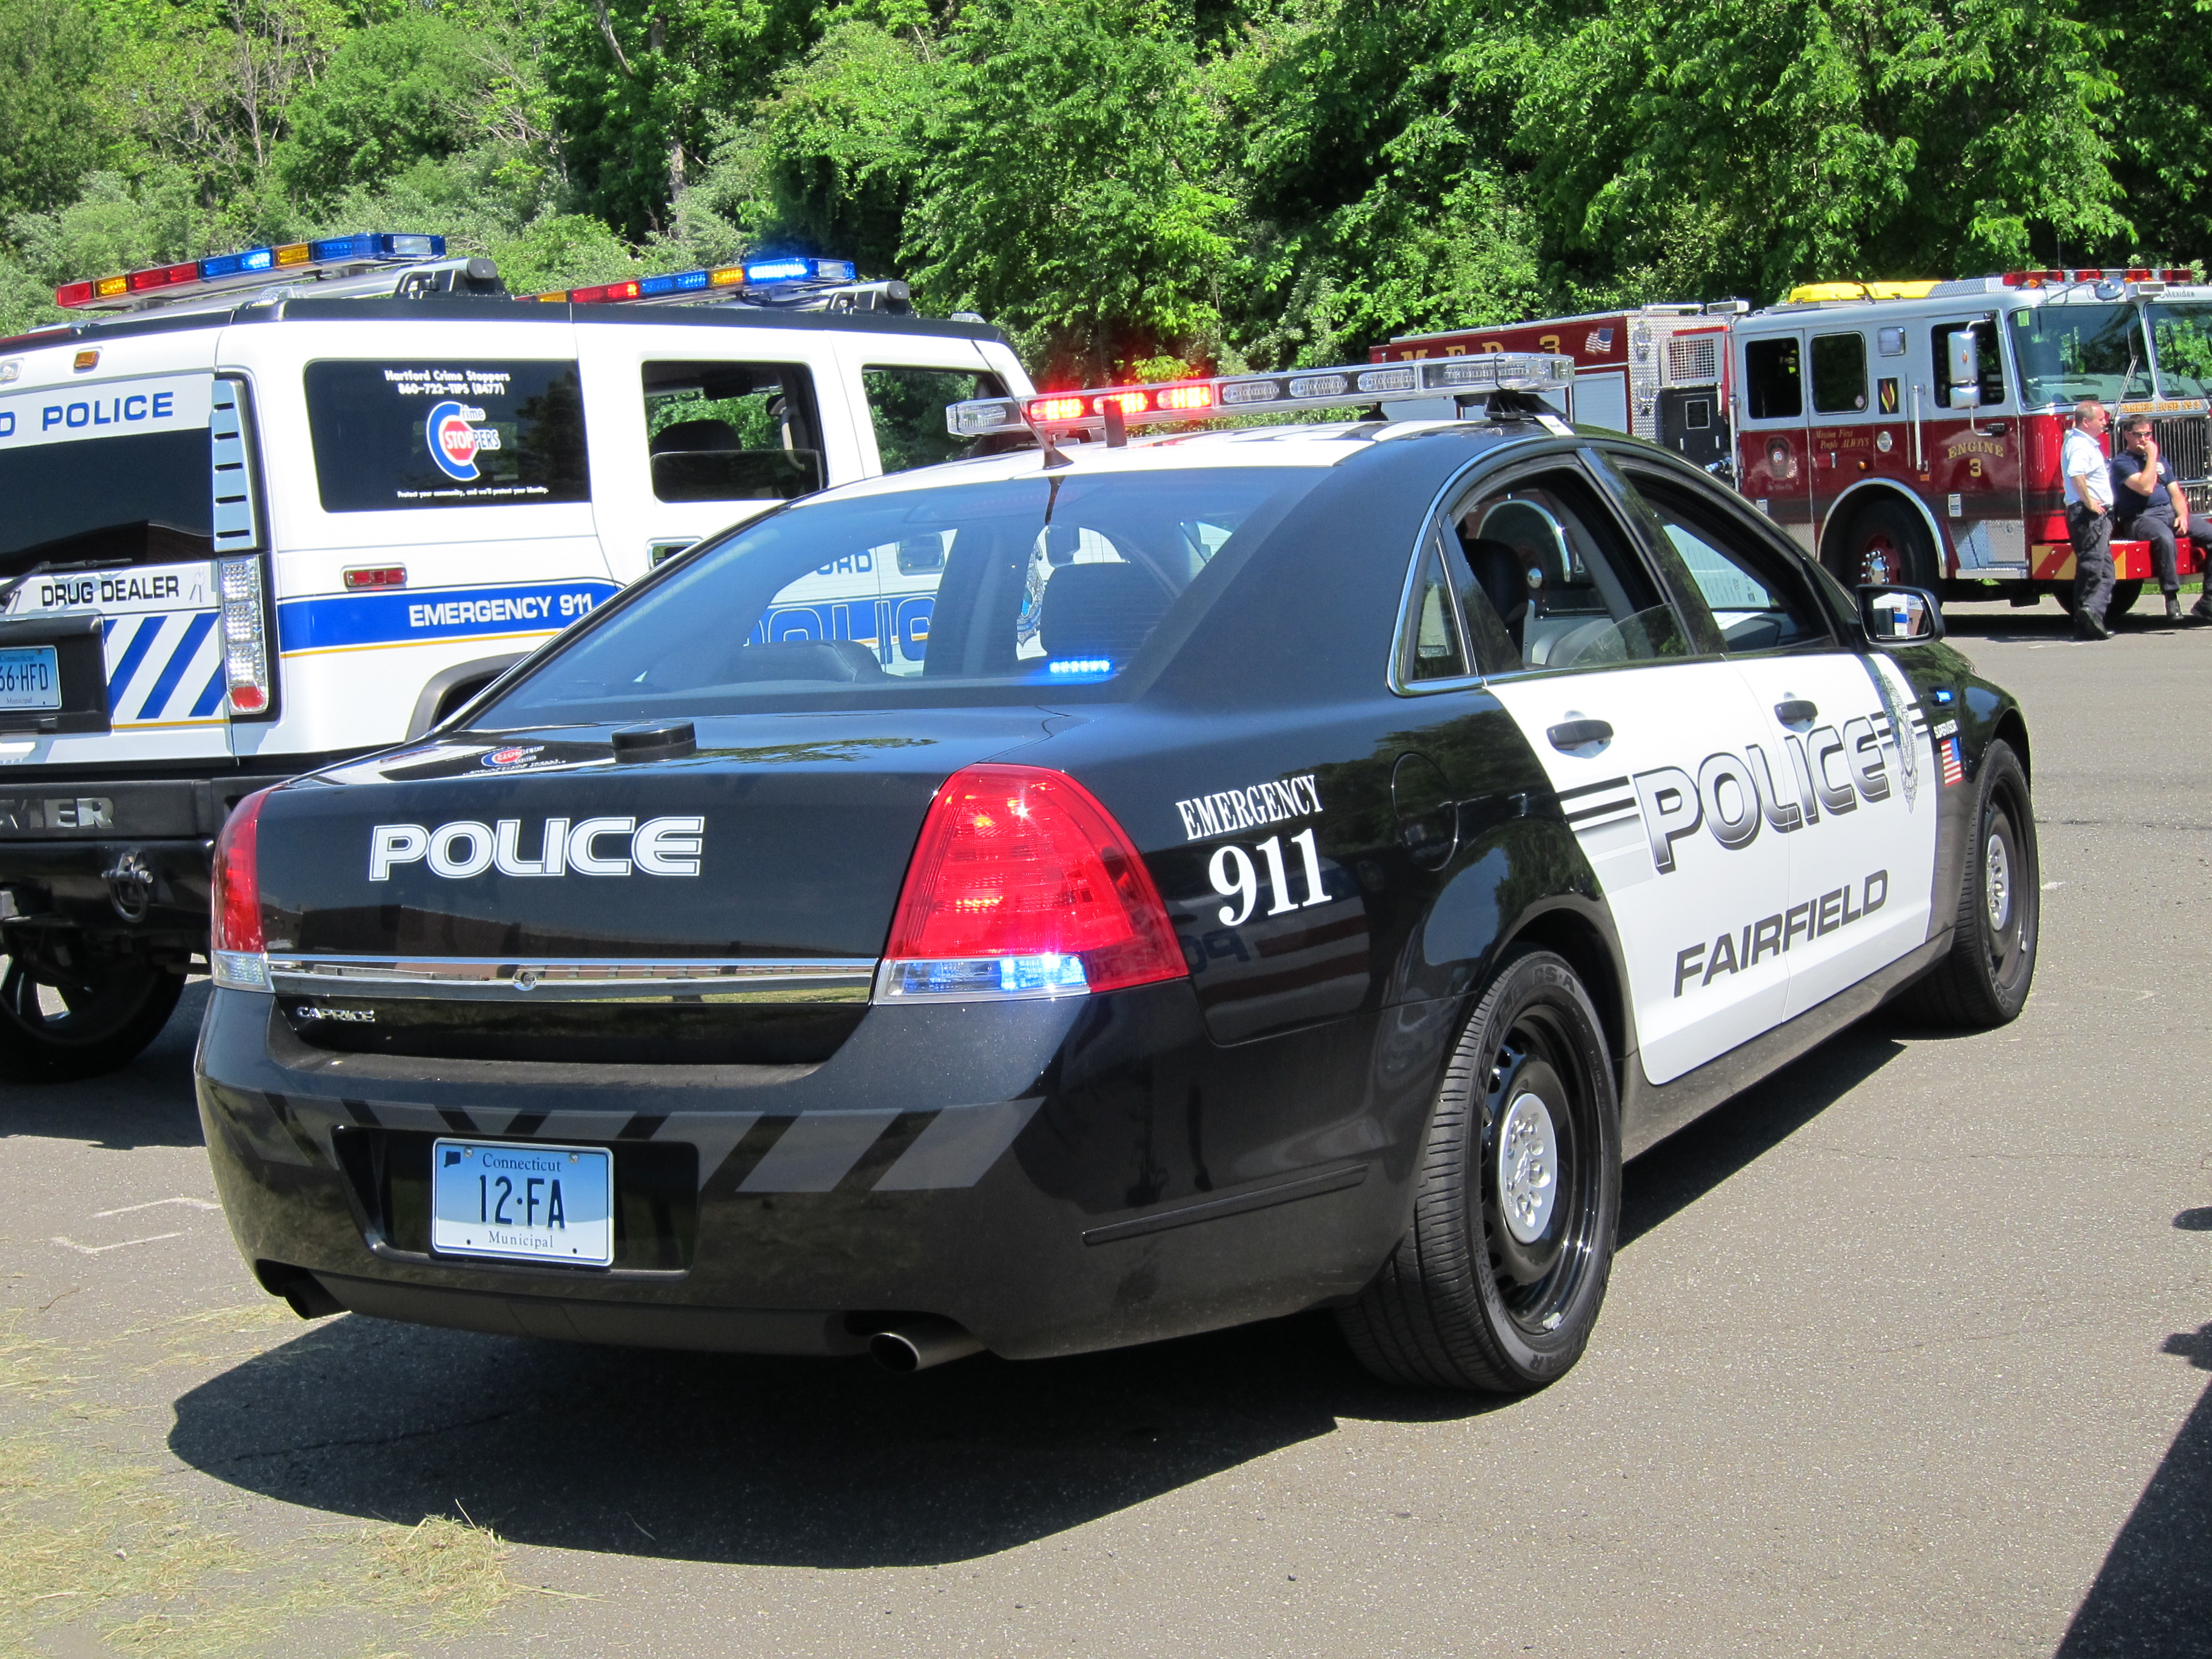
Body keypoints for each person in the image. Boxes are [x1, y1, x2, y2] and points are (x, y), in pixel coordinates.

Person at [2109, 414, 2212, 623]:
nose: (2144, 439)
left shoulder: (2160, 461)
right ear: (2127, 435)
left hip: (2169, 512)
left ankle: (2208, 600)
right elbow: (2146, 488)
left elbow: (2175, 493)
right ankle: (2171, 598)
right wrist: (2152, 457)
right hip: (2140, 518)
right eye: (2138, 435)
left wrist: (2183, 515)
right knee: (2165, 539)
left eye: (2148, 434)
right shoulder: (2122, 462)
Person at [2063, 400, 2116, 640]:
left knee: (2105, 572)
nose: (2105, 422)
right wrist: (2090, 503)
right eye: (2101, 419)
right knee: (2093, 567)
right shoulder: (2080, 445)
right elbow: (2076, 473)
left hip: (2094, 515)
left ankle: (2091, 616)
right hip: (2089, 515)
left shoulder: (2082, 442)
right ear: (2086, 422)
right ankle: (2085, 618)